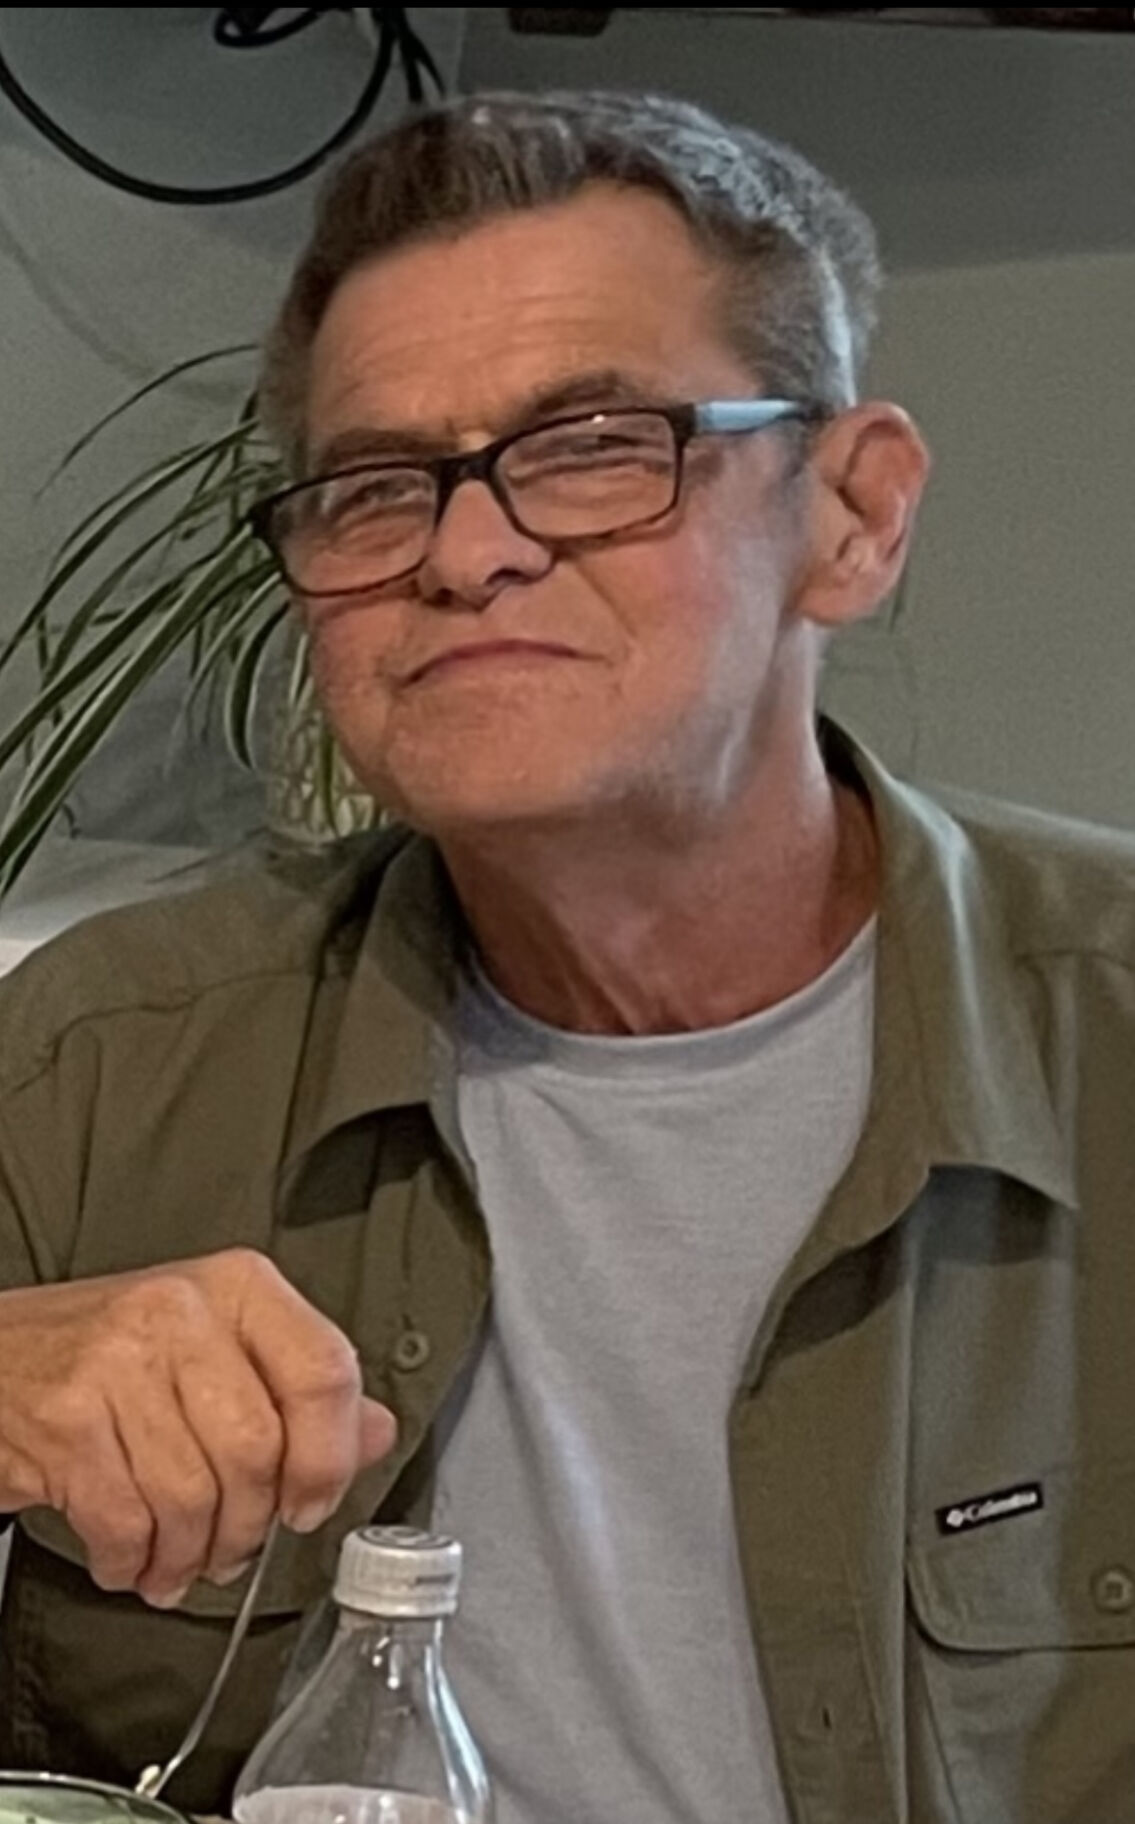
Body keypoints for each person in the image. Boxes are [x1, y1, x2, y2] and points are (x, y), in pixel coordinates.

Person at [0, 86, 1133, 1824]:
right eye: (374, 488)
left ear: (852, 514)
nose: (466, 554)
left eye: (598, 447)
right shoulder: (100, 1063)